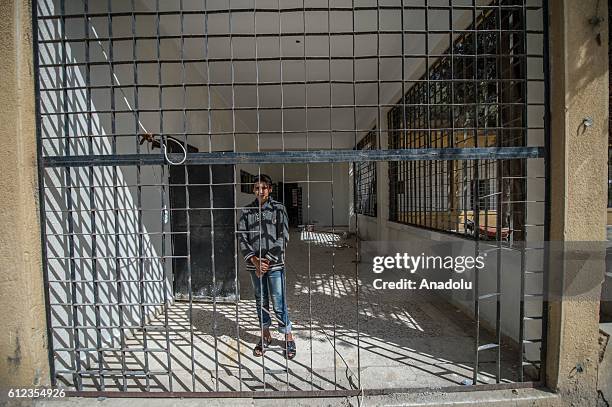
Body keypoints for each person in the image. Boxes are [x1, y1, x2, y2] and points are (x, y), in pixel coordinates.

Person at [238, 174, 296, 359]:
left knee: (278, 301)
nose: (260, 191)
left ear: (270, 189)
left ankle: (288, 336)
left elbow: (283, 235)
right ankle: (265, 336)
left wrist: (268, 260)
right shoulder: (246, 211)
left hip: (275, 264)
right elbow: (242, 237)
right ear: (253, 190)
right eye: (257, 187)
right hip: (254, 265)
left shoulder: (279, 209)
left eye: (264, 187)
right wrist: (255, 261)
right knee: (260, 300)